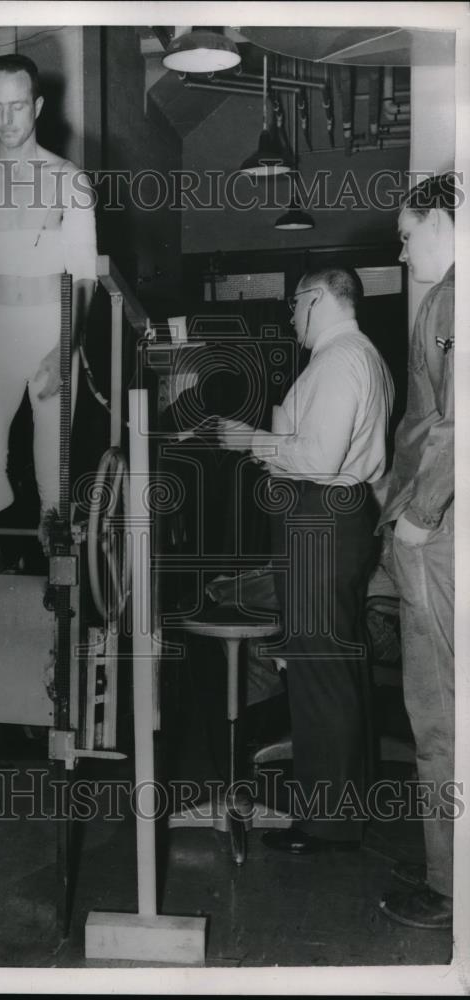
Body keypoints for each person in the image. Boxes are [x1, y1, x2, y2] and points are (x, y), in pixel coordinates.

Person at [217, 267, 394, 852]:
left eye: (295, 305)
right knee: (336, 670)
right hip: (333, 521)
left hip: (322, 520)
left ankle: (328, 825)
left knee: (320, 675)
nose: (292, 317)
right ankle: (346, 808)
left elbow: (317, 459)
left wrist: (251, 442)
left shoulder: (340, 360)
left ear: (317, 299)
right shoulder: (357, 357)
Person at [0, 54, 97, 570]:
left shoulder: (68, 178)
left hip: (55, 324)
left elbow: (86, 278)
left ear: (38, 107)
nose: (7, 121)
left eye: (18, 107)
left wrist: (63, 347)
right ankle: (29, 567)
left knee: (52, 478)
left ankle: (56, 585)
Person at [377, 174, 456, 930]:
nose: (401, 254)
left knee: (436, 711)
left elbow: (451, 428)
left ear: (439, 219)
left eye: (406, 236)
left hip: (438, 536)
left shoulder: (451, 302)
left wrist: (417, 517)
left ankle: (447, 887)